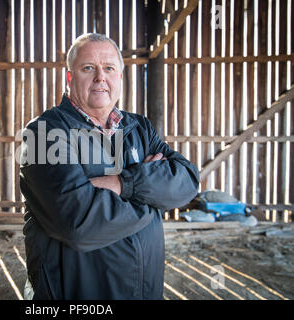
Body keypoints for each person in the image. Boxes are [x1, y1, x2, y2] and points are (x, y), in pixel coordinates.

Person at [19, 33, 199, 300]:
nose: (100, 77)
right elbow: (79, 224)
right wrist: (154, 199)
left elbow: (187, 182)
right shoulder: (45, 133)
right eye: (88, 68)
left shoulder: (139, 127)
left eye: (109, 68)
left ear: (120, 78)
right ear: (70, 78)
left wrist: (122, 184)